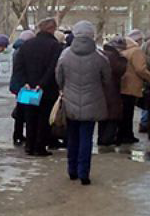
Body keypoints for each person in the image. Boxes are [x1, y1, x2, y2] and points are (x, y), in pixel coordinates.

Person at [55, 21, 110, 185]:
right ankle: (84, 173)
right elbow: (107, 79)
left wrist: (65, 88)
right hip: (93, 102)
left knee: (72, 137)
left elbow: (59, 78)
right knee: (87, 138)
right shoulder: (100, 57)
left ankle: (72, 170)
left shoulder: (65, 55)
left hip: (70, 102)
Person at [18, 18, 62, 156]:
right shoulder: (55, 46)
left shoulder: (27, 45)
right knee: (44, 118)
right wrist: (41, 84)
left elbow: (19, 66)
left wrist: (25, 82)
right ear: (52, 29)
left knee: (30, 117)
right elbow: (53, 68)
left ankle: (29, 146)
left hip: (28, 88)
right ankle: (40, 146)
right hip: (47, 89)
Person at [119, 33, 150, 145]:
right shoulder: (136, 51)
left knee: (125, 112)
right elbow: (140, 69)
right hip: (132, 85)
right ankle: (128, 135)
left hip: (123, 85)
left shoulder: (123, 51)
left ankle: (122, 134)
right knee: (129, 112)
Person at [97, 37, 127, 148]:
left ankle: (102, 137)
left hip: (103, 89)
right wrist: (124, 60)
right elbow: (119, 70)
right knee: (113, 115)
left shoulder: (102, 53)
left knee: (104, 115)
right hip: (111, 89)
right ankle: (106, 139)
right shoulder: (114, 57)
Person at [9, 29, 36, 146]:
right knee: (25, 111)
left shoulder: (17, 50)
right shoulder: (23, 51)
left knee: (21, 109)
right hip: (24, 85)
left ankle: (18, 134)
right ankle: (19, 135)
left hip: (18, 84)